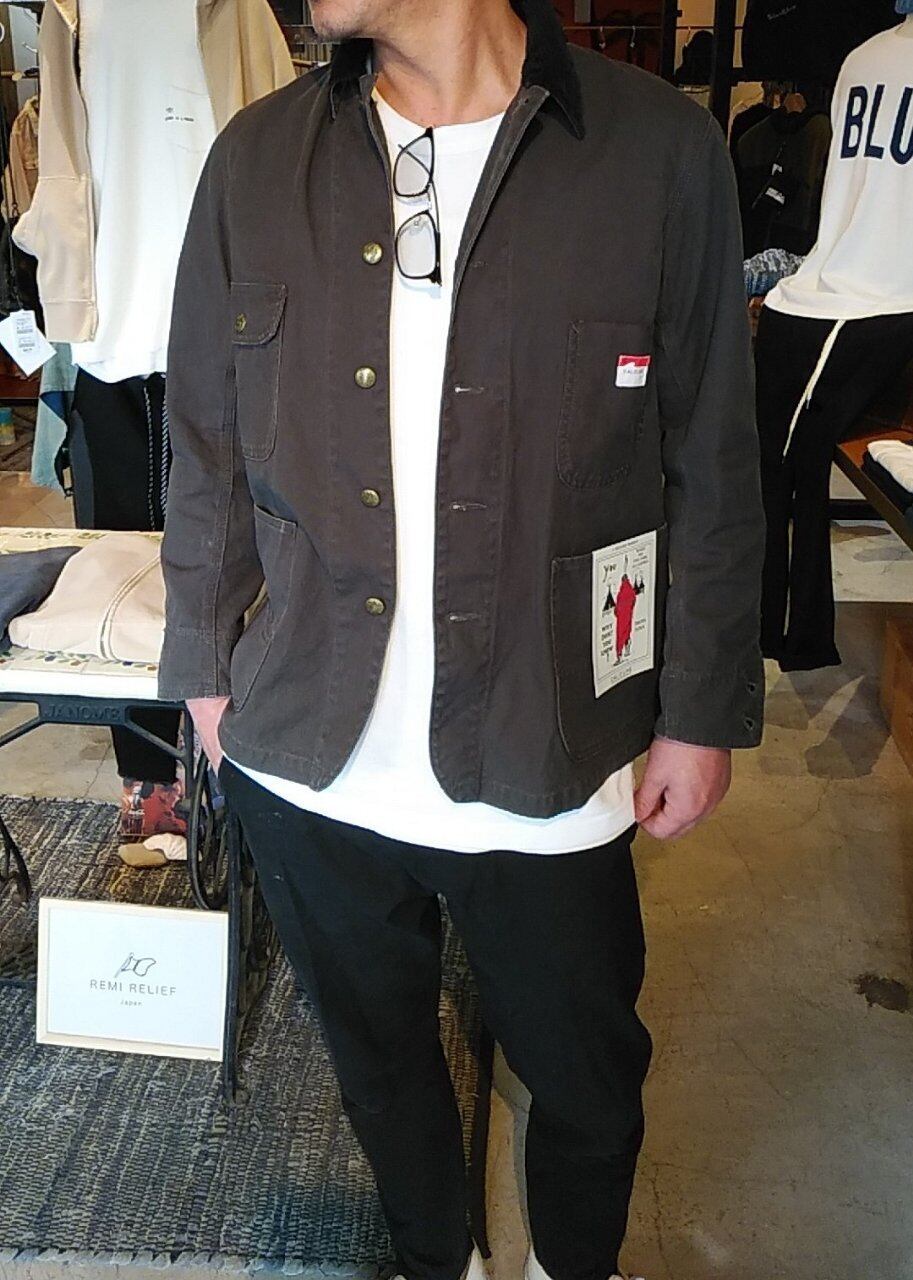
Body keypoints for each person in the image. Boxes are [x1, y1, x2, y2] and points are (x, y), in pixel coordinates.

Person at [158, 0, 765, 1273]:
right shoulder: (255, 161)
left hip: (550, 735)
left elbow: (711, 453)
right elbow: (203, 441)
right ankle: (443, 1258)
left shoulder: (656, 152)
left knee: (588, 1077)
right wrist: (203, 669)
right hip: (307, 742)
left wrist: (702, 708)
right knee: (379, 1067)